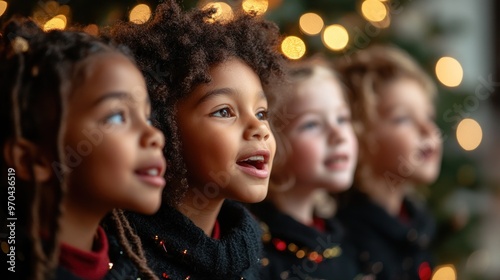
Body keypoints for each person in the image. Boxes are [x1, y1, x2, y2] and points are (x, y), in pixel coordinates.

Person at [107, 0, 285, 279]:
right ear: (160, 125)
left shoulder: (252, 260)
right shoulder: (121, 254)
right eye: (225, 111)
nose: (259, 128)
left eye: (261, 113)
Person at [0, 17, 166, 280]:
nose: (155, 136)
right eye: (116, 117)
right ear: (33, 160)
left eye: (146, 118)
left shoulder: (136, 265)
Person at [250, 57, 363, 279]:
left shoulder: (341, 238)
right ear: (271, 140)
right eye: (312, 124)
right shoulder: (258, 255)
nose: (338, 135)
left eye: (342, 119)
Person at [336, 45, 443, 280]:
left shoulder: (417, 223)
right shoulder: (345, 237)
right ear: (359, 133)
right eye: (403, 118)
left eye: (429, 116)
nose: (428, 130)